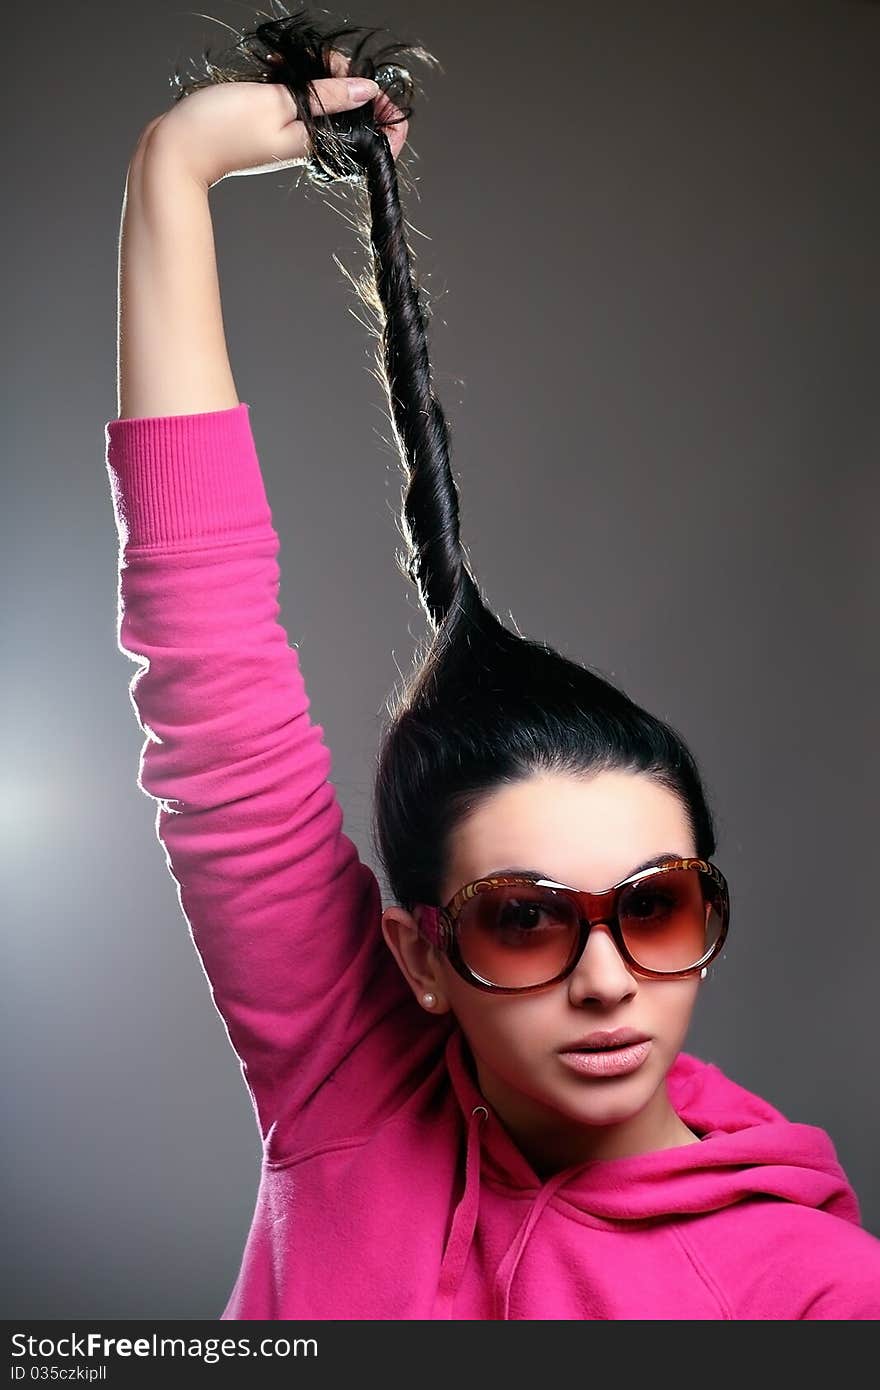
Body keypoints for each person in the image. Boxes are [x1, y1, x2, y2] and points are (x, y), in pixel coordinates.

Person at [104, 5, 880, 1319]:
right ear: (416, 956)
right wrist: (173, 168)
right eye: (525, 916)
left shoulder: (813, 1293)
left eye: (658, 905)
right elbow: (211, 677)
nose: (607, 977)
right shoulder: (351, 1077)